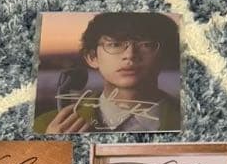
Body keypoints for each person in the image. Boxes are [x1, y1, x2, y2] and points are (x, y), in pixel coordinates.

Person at [34, 12, 181, 133]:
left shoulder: (190, 120)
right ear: (92, 57)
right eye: (115, 44)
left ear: (166, 56)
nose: (130, 55)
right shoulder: (45, 126)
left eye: (146, 45)